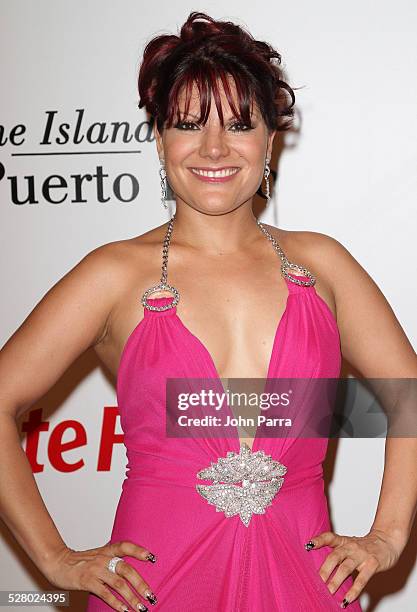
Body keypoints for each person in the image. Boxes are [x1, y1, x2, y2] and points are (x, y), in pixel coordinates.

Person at [0, 10, 416, 612]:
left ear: (270, 139)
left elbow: (406, 395)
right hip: (157, 587)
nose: (214, 147)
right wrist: (54, 557)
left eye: (239, 124)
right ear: (160, 137)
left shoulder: (324, 265)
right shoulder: (114, 274)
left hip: (305, 586)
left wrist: (387, 538)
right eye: (189, 124)